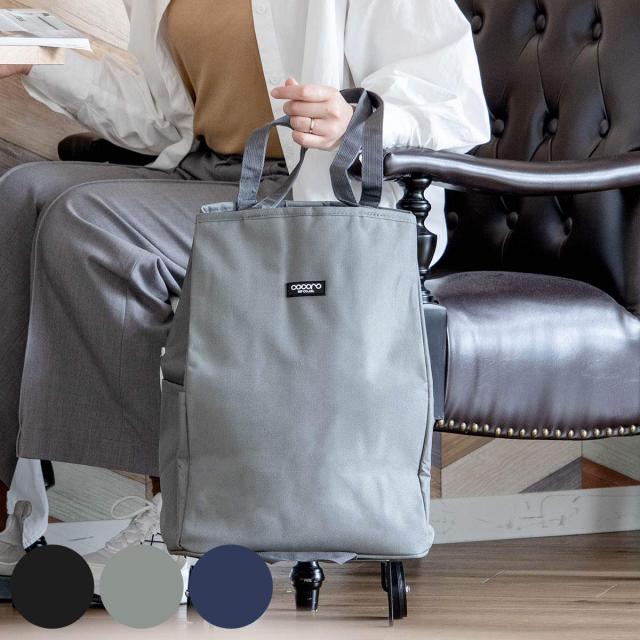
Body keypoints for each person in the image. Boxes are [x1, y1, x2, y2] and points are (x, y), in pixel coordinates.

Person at [0, 0, 490, 592]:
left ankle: (195, 502)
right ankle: (17, 503)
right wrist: (38, 62)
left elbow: (455, 101)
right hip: (207, 176)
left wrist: (354, 118)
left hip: (310, 196)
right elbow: (164, 121)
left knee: (87, 221)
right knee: (20, 193)